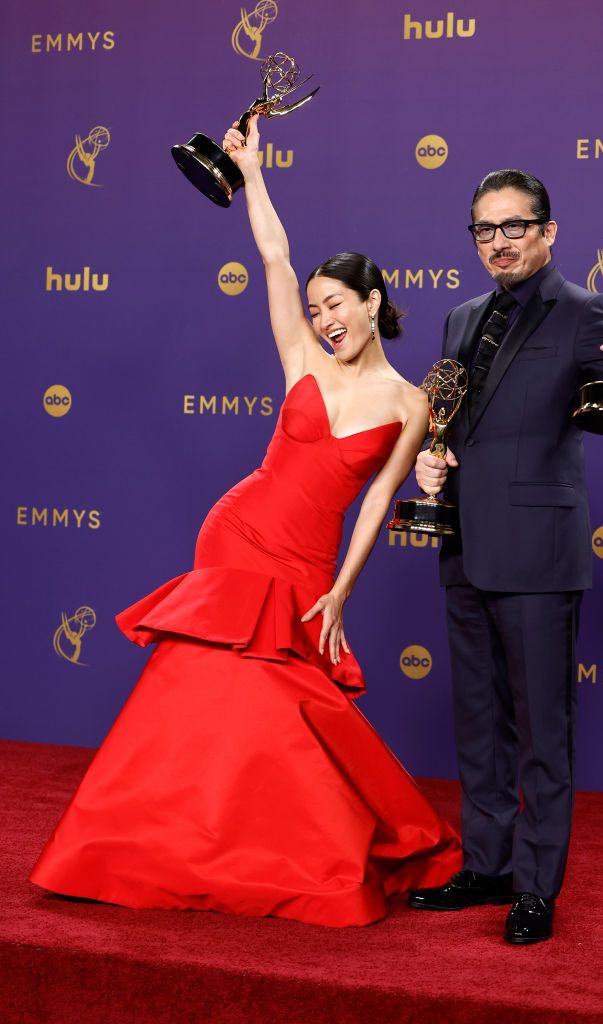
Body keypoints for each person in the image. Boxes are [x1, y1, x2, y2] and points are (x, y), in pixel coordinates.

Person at [30, 116, 461, 928]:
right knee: (202, 696)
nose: (323, 318)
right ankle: (157, 843)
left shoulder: (413, 404)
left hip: (308, 560)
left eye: (335, 304)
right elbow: (274, 257)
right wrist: (252, 174)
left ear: (373, 302)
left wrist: (341, 592)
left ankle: (281, 849)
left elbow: (377, 503)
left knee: (282, 709)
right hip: (237, 532)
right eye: (315, 307)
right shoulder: (301, 358)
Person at [408, 170, 603, 944]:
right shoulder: (460, 318)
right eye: (485, 229)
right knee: (479, 722)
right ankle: (488, 865)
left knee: (544, 730)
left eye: (515, 226)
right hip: (462, 545)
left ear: (548, 231)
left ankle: (536, 887)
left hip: (540, 554)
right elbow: (453, 423)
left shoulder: (586, 311)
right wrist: (430, 459)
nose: (499, 242)